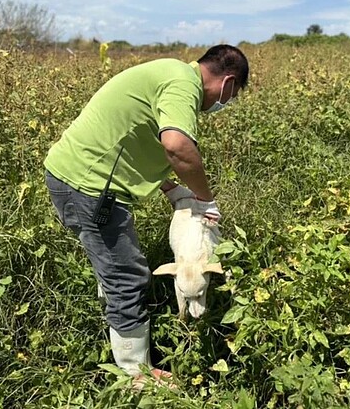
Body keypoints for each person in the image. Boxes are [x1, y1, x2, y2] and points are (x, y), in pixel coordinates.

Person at [43, 44, 249, 387]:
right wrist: (205, 199)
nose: (225, 104)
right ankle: (135, 374)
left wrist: (170, 188)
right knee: (127, 275)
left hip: (77, 177)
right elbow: (176, 145)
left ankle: (115, 327)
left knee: (113, 267)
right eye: (232, 96)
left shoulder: (171, 73)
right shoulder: (183, 86)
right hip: (88, 187)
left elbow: (136, 136)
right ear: (228, 83)